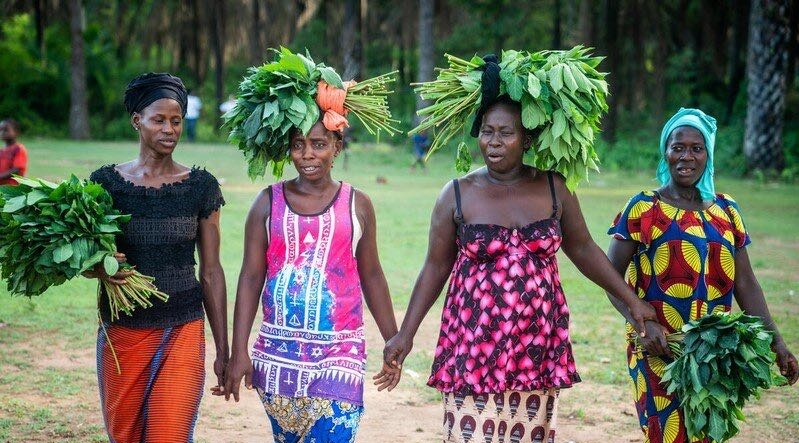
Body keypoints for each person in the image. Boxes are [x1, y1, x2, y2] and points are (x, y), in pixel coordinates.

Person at [382, 54, 656, 442]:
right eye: (487, 132)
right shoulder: (457, 194)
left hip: (536, 344)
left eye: (506, 133)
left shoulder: (553, 187)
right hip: (474, 344)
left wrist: (631, 301)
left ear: (526, 139)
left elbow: (584, 250)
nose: (494, 142)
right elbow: (434, 268)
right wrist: (405, 334)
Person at [224, 67, 401, 442]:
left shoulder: (358, 204)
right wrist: (239, 351)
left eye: (319, 144)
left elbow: (372, 276)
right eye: (298, 144)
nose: (308, 154)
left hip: (340, 356)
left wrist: (393, 340)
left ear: (337, 147)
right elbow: (251, 278)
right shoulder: (266, 203)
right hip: (277, 359)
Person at [605, 108, 798, 442]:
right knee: (668, 434)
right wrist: (641, 322)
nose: (686, 156)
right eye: (678, 147)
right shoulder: (643, 208)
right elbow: (610, 277)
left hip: (714, 351)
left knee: (708, 433)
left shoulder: (727, 211)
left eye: (697, 148)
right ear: (665, 151)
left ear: (708, 154)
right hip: (658, 346)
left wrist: (777, 343)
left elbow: (746, 283)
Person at [86, 73, 228, 443]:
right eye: (159, 120)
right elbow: (87, 261)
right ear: (137, 121)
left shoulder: (200, 186)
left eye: (176, 120)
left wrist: (224, 349)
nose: (170, 129)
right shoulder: (105, 184)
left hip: (183, 325)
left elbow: (211, 272)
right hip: (122, 331)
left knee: (170, 434)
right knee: (126, 435)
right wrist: (100, 268)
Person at [0, 118, 28, 186]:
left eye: (6, 130)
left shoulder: (18, 149)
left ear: (16, 132)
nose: (2, 132)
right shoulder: (1, 150)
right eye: (0, 130)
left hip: (12, 189)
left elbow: (16, 170)